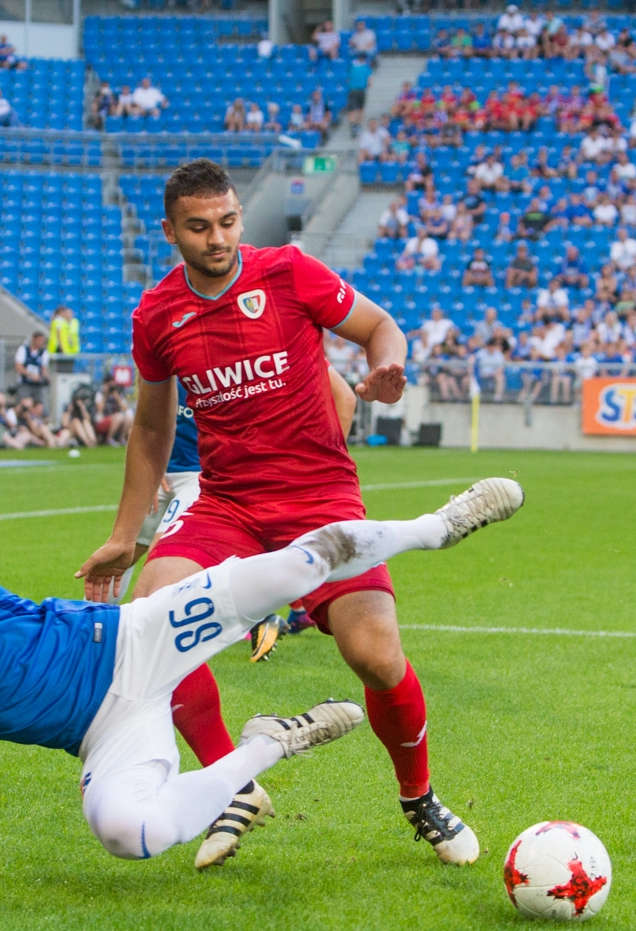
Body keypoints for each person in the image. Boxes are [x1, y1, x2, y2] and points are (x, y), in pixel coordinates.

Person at [0, 482, 523, 886]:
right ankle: (267, 746)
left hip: (132, 638)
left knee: (298, 564)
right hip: (102, 730)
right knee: (128, 834)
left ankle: (436, 526)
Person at [77, 160, 485, 869]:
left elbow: (379, 326)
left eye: (229, 221)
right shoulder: (157, 315)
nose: (219, 238)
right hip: (227, 501)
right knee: (148, 625)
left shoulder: (289, 272)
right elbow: (150, 431)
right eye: (200, 227)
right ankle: (236, 785)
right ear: (170, 230)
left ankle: (419, 798)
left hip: (321, 495)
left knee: (376, 656)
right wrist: (123, 536)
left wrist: (388, 365)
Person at [14, 330, 50, 406]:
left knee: (40, 405)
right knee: (23, 405)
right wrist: (30, 375)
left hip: (37, 384)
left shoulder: (43, 353)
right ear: (34, 339)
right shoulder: (23, 350)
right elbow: (18, 367)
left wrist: (45, 378)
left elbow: (43, 369)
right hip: (24, 383)